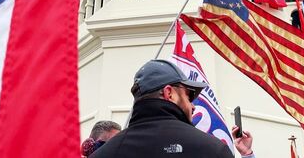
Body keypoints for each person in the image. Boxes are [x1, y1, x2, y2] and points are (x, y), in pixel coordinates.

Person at [90, 59, 235, 157]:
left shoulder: (104, 154)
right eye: (189, 96)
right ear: (169, 93)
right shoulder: (213, 150)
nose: (193, 106)